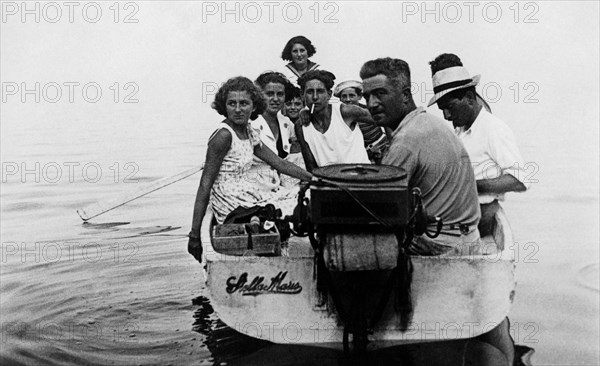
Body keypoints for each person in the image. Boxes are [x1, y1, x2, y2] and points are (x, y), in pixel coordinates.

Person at [360, 57, 513, 365]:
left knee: (350, 244)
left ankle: (364, 331)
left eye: (381, 94)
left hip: (443, 247)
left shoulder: (406, 140)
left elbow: (379, 208)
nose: (372, 103)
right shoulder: (428, 123)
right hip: (466, 237)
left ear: (405, 95)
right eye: (367, 96)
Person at [188, 76, 312, 262]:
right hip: (231, 201)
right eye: (232, 103)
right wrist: (194, 234)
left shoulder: (248, 131)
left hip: (248, 192)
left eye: (244, 103)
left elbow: (279, 163)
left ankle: (289, 255)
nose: (238, 109)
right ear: (224, 106)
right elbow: (205, 185)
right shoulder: (223, 135)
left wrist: (313, 178)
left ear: (254, 106)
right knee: (291, 210)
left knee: (303, 199)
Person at [428, 53, 528, 237]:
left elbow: (519, 180)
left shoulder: (494, 129)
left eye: (450, 107)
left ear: (468, 97)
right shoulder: (460, 129)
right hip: (459, 216)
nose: (447, 116)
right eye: (442, 110)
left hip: (478, 221)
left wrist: (468, 184)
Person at [294, 70, 372, 172]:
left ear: (329, 94)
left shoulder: (344, 112)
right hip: (330, 183)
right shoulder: (301, 125)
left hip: (362, 179)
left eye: (320, 91)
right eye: (310, 92)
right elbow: (311, 167)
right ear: (302, 95)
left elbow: (386, 118)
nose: (315, 97)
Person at [249, 71, 297, 191]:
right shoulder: (250, 123)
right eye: (269, 94)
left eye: (280, 94)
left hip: (278, 187)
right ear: (259, 95)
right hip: (253, 188)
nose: (275, 99)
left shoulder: (286, 123)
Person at [333, 80, 389, 163]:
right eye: (344, 96)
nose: (348, 99)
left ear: (359, 97)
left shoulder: (367, 110)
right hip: (365, 155)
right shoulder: (340, 116)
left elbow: (387, 121)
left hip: (382, 148)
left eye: (352, 95)